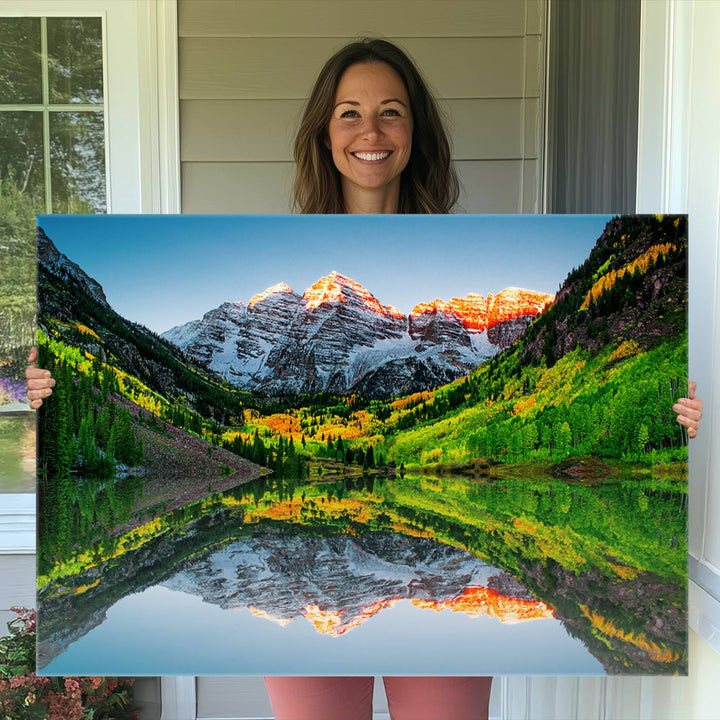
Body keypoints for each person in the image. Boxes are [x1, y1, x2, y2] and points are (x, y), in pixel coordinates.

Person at [26, 37, 704, 720]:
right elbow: (29, 427)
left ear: (417, 132)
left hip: (440, 626)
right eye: (349, 113)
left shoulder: (459, 246)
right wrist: (43, 400)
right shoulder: (279, 255)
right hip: (309, 621)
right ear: (324, 133)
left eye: (392, 112)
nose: (371, 132)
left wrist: (677, 419)